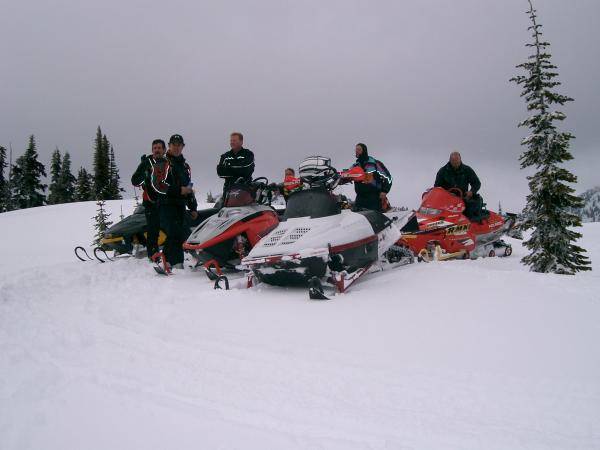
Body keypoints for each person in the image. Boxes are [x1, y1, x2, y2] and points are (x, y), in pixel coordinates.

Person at [151, 134, 198, 271]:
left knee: (181, 234)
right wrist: (178, 190)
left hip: (180, 205)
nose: (176, 147)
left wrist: (193, 207)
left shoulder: (184, 166)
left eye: (179, 145)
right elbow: (158, 185)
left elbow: (188, 188)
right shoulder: (162, 163)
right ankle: (172, 262)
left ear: (183, 146)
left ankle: (172, 262)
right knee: (173, 233)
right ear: (169, 146)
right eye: (174, 145)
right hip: (165, 204)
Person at [131, 139, 166, 257]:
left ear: (164, 150)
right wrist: (144, 171)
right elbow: (135, 181)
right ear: (152, 150)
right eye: (155, 148)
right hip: (150, 202)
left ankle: (171, 253)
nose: (157, 150)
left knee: (170, 228)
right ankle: (153, 254)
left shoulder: (168, 163)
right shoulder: (146, 163)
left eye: (159, 148)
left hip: (166, 202)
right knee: (152, 230)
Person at [434, 151, 483, 220]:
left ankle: (471, 223)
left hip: (463, 198)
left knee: (475, 202)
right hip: (446, 200)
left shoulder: (467, 170)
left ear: (460, 160)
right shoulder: (442, 171)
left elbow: (477, 183)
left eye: (457, 161)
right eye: (453, 161)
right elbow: (437, 187)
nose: (455, 163)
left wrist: (471, 192)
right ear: (450, 160)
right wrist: (445, 194)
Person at [349, 143, 392, 211]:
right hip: (360, 197)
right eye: (356, 149)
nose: (356, 151)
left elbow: (388, 177)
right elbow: (346, 176)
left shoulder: (374, 163)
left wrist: (385, 190)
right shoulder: (354, 166)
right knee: (357, 218)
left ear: (364, 151)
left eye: (359, 149)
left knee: (374, 219)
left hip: (374, 197)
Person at [216, 132, 255, 199]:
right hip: (228, 191)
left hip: (245, 190)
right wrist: (239, 168)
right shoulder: (225, 156)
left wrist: (229, 168)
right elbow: (220, 172)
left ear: (241, 142)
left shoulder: (248, 154)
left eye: (234, 140)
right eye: (231, 140)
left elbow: (247, 170)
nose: (232, 142)